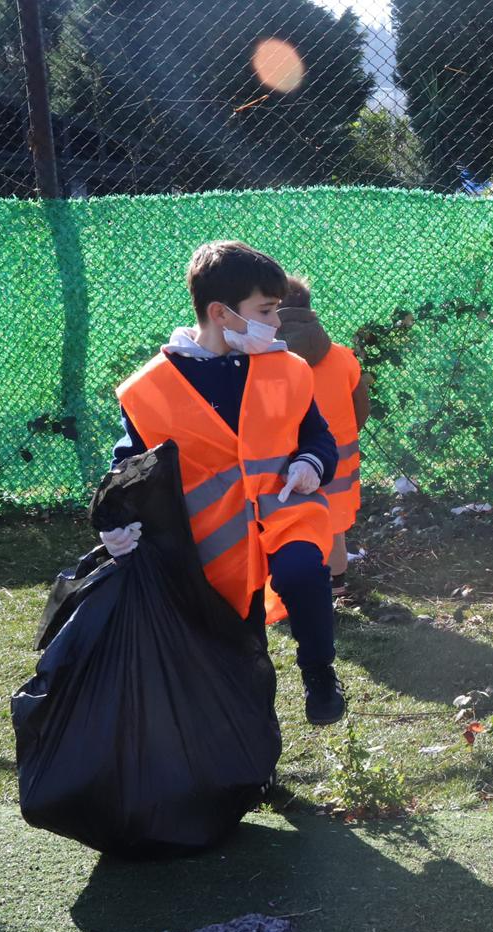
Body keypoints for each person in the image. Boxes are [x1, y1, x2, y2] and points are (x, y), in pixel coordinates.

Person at [101, 241, 347, 726]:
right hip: (214, 544)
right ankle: (255, 766)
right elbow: (129, 463)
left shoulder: (287, 369)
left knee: (303, 571)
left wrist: (311, 465)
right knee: (240, 654)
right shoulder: (152, 387)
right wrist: (114, 521)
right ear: (221, 313)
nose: (277, 323)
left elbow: (318, 437)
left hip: (285, 514)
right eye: (266, 310)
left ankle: (320, 673)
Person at [276, 275, 371, 599]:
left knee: (294, 528)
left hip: (291, 462)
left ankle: (298, 590)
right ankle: (338, 584)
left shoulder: (266, 362)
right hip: (340, 462)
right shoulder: (343, 356)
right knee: (335, 527)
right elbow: (361, 406)